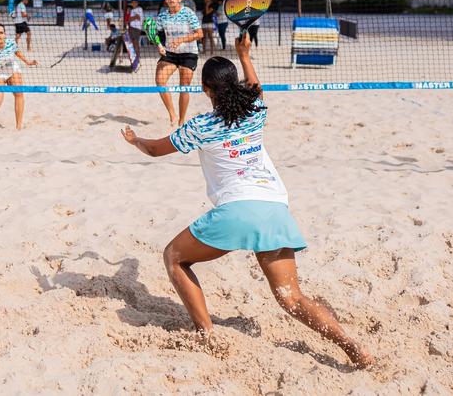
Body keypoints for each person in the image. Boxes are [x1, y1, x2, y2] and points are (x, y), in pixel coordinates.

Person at [120, 33, 374, 369]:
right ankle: (352, 346)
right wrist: (244, 55)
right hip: (274, 209)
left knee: (174, 258)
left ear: (206, 90)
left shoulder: (201, 125)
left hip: (236, 211)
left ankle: (207, 333)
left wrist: (136, 139)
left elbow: (154, 150)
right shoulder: (255, 110)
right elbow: (255, 87)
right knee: (291, 297)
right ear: (234, 84)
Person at [153, 0, 203, 126]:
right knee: (160, 81)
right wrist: (159, 46)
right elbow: (155, 34)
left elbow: (200, 34)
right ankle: (172, 115)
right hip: (170, 53)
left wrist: (181, 39)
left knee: (184, 87)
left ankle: (182, 120)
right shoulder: (162, 15)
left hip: (188, 53)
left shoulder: (188, 13)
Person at [0, 23, 38, 130]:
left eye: (1, 33)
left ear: (5, 34)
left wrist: (28, 62)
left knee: (19, 94)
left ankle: (18, 126)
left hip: (12, 69)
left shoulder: (11, 43)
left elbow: (17, 52)